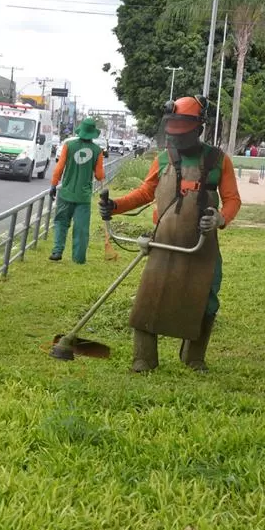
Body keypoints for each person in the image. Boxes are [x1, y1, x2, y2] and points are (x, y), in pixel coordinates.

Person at [99, 95, 241, 373]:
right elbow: (145, 193)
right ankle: (144, 358)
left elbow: (233, 199)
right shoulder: (163, 159)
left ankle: (194, 357)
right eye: (172, 134)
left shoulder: (218, 160)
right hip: (163, 241)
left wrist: (221, 218)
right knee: (149, 297)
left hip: (202, 245)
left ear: (199, 129)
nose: (175, 140)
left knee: (206, 299)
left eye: (182, 134)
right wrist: (115, 206)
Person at [49, 117, 106, 264]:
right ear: (93, 133)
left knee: (61, 222)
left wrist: (53, 185)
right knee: (81, 229)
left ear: (80, 131)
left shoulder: (69, 145)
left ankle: (57, 251)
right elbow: (99, 175)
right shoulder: (97, 151)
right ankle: (79, 258)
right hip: (83, 197)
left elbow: (59, 168)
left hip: (66, 193)